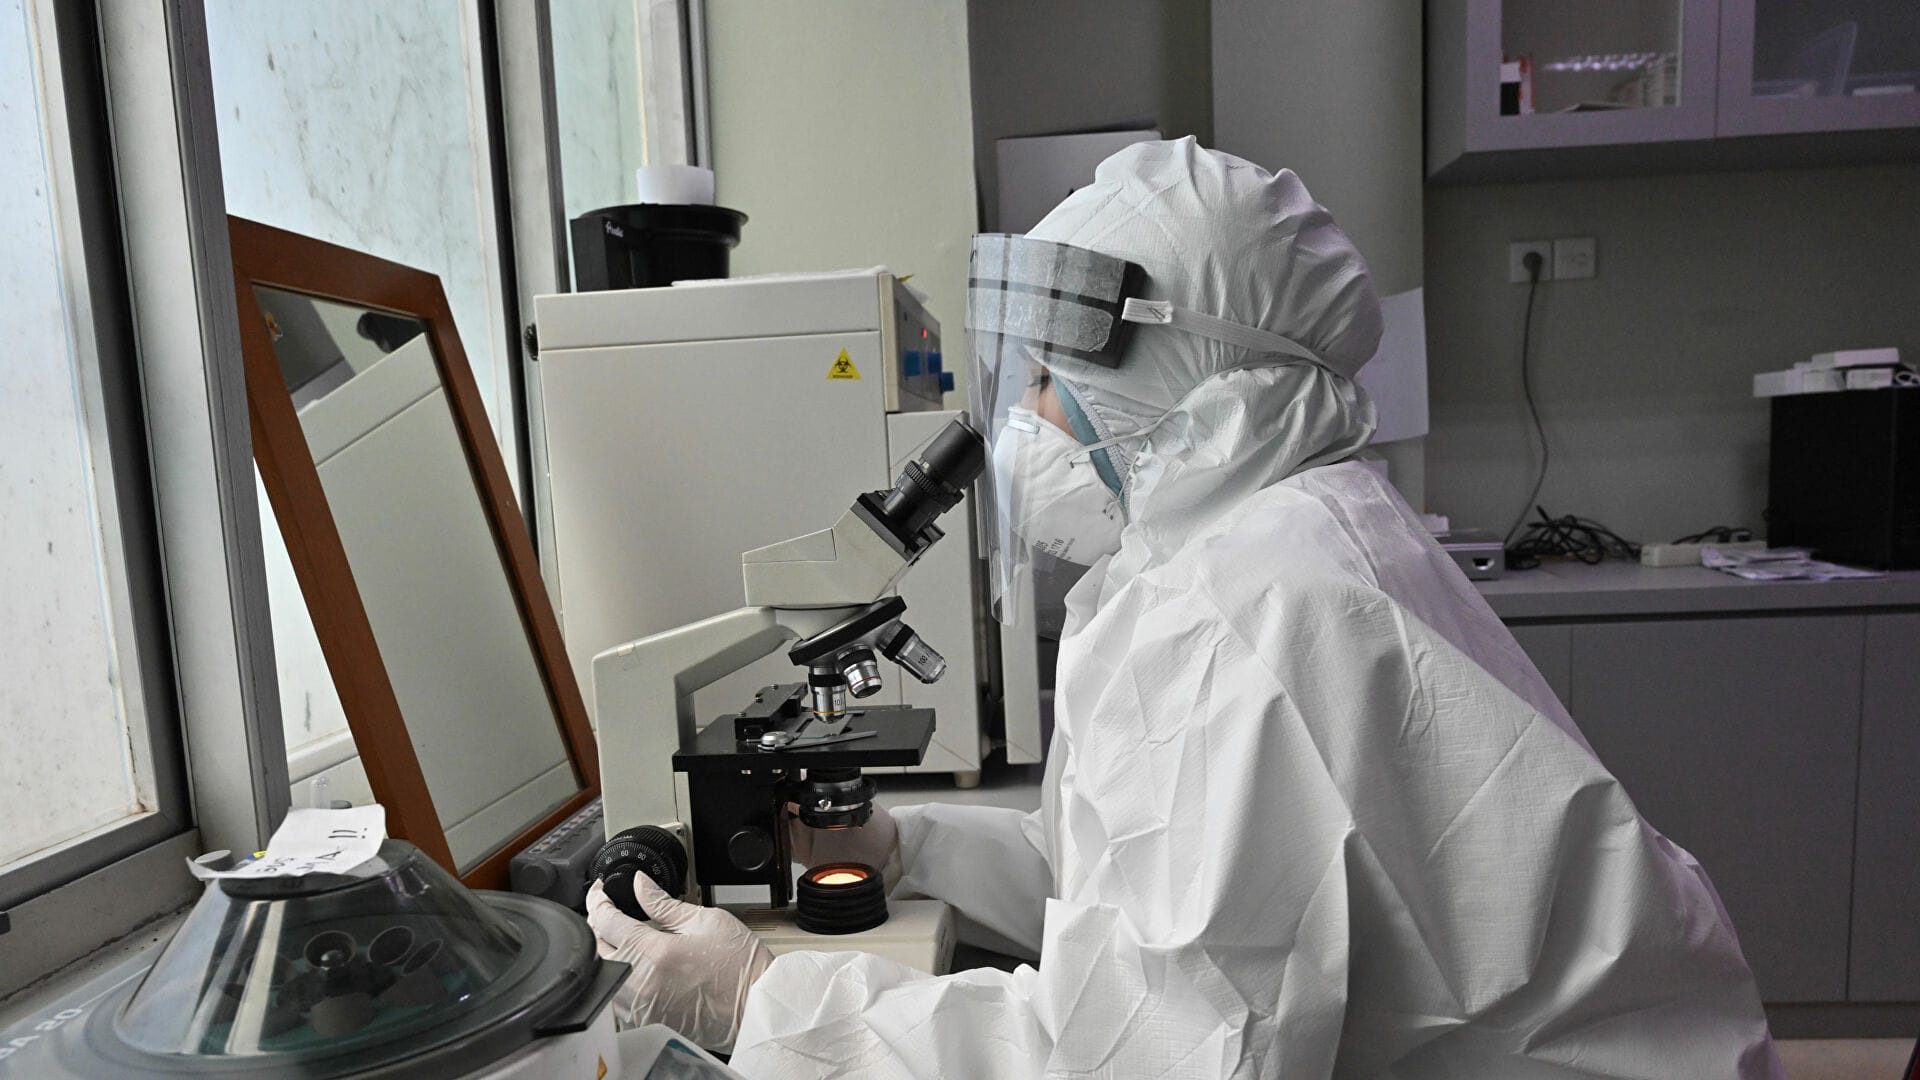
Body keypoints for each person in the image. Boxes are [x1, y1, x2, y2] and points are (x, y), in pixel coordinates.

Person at [587, 137, 1784, 1078]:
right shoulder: (1259, 540)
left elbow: (1140, 1057)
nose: (1024, 414)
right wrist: (909, 846)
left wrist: (766, 1003)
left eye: (1054, 375)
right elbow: (1129, 882)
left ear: (1182, 370)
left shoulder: (1244, 612)